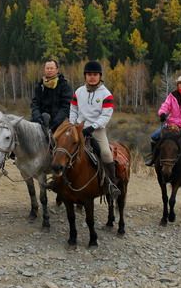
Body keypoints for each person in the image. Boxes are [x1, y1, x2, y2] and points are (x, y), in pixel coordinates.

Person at [69, 60, 121, 199]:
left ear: (100, 76)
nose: (92, 77)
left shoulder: (106, 94)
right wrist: (73, 123)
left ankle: (111, 183)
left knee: (106, 154)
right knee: (63, 148)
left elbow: (106, 116)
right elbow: (73, 109)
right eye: (89, 74)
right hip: (78, 128)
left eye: (95, 74)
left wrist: (92, 127)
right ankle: (59, 181)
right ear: (85, 76)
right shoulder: (78, 91)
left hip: (97, 130)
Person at [145, 75, 181, 170]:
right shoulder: (171, 96)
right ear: (177, 85)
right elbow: (165, 106)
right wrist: (162, 113)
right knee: (154, 137)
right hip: (170, 124)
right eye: (180, 83)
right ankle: (153, 158)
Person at [31, 58, 72, 132]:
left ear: (57, 70)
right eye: (47, 68)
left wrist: (56, 121)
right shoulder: (40, 86)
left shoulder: (64, 85)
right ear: (44, 70)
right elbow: (35, 104)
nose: (49, 70)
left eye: (51, 68)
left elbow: (66, 106)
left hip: (59, 122)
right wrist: (37, 117)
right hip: (41, 121)